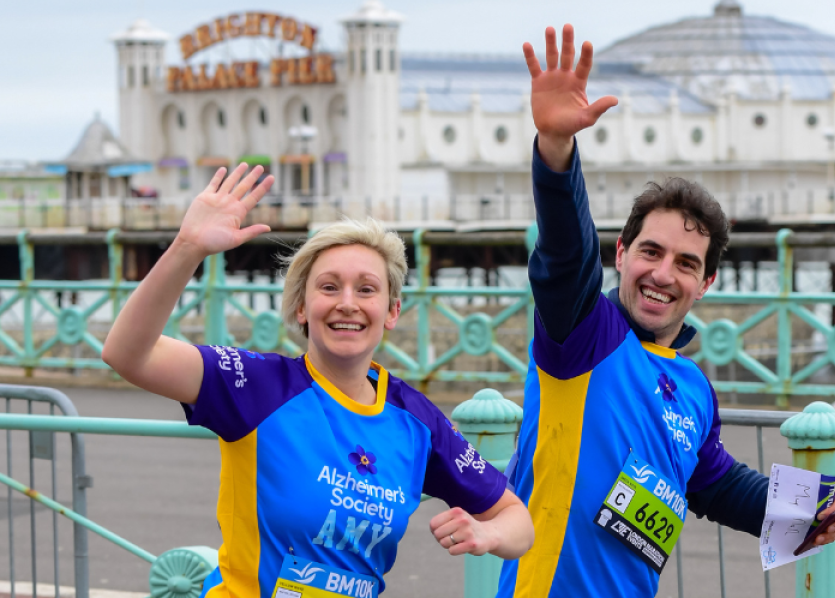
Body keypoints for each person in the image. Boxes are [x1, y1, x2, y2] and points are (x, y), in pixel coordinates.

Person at [496, 25, 835, 598]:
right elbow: (565, 254)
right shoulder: (584, 335)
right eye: (650, 251)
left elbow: (712, 483)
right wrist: (557, 151)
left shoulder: (692, 386)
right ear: (620, 253)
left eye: (686, 263)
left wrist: (809, 507)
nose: (664, 274)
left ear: (707, 281)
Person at [101, 163, 534, 597]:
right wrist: (186, 248)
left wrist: (488, 536)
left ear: (392, 312)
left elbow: (517, 521)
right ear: (302, 308)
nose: (348, 303)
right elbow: (128, 354)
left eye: (366, 290)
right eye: (329, 288)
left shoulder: (416, 420)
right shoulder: (257, 385)